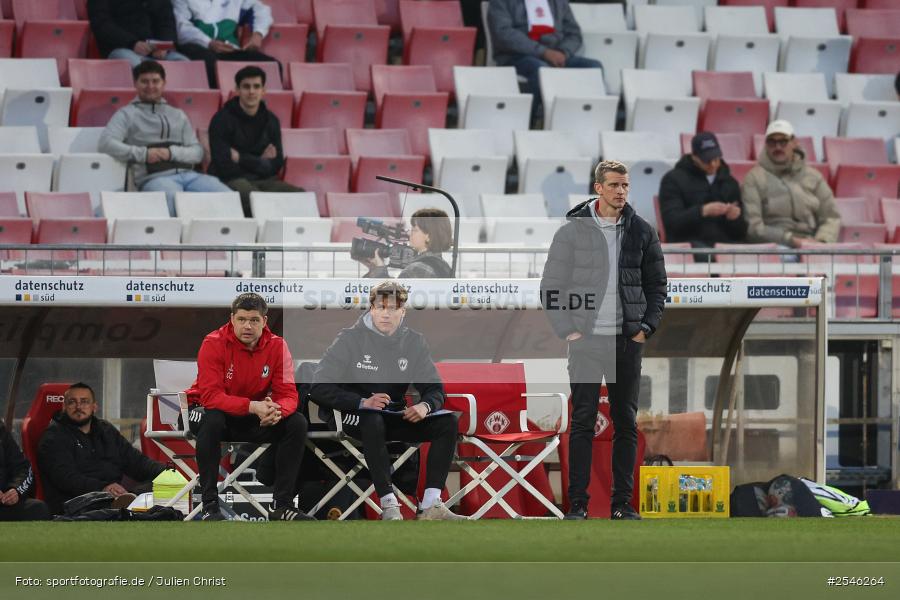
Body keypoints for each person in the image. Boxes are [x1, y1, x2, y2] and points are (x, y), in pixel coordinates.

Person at [540, 160, 667, 520]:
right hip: (586, 341)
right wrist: (569, 329)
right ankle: (577, 505)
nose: (621, 191)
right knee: (582, 420)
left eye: (625, 185)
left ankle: (622, 505)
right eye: (614, 185)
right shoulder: (571, 232)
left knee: (626, 422)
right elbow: (551, 287)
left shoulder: (642, 231)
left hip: (627, 342)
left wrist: (646, 327)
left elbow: (658, 286)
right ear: (598, 188)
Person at [310, 281, 464, 521]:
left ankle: (431, 505)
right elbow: (318, 387)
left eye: (392, 308)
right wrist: (362, 402)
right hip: (352, 416)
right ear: (371, 308)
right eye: (380, 307)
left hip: (392, 415)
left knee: (447, 424)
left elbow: (435, 389)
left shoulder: (414, 341)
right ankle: (389, 504)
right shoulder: (350, 339)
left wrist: (425, 406)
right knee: (372, 418)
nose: (385, 313)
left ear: (403, 311)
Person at [188, 293, 312, 521]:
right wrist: (253, 406)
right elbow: (211, 397)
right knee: (212, 419)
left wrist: (276, 411)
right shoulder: (213, 342)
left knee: (296, 422)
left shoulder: (277, 346)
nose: (248, 326)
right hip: (208, 413)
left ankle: (281, 506)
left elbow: (288, 395)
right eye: (242, 319)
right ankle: (209, 505)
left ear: (264, 322)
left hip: (252, 417)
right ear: (232, 319)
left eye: (254, 320)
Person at [99, 60, 232, 217]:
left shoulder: (178, 114)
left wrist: (170, 153)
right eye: (144, 81)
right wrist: (144, 154)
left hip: (189, 175)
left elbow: (197, 152)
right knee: (173, 199)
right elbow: (106, 143)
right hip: (153, 178)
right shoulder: (126, 114)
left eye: (155, 81)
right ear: (135, 84)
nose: (150, 86)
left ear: (164, 83)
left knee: (227, 195)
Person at [37, 383, 166, 516]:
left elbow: (136, 461)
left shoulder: (106, 430)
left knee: (164, 484)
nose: (79, 407)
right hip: (76, 502)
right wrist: (103, 488)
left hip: (115, 496)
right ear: (64, 407)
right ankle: (127, 504)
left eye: (84, 401)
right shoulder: (53, 437)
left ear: (94, 407)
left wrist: (168, 473)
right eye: (72, 402)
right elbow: (66, 478)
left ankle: (130, 500)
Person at [208, 65, 302, 217]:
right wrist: (259, 162)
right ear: (237, 90)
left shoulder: (272, 120)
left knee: (301, 196)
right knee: (256, 199)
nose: (251, 92)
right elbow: (223, 165)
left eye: (256, 87)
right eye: (246, 87)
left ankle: (292, 238)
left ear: (263, 91)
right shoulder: (221, 120)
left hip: (264, 179)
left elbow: (276, 164)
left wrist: (240, 158)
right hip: (231, 179)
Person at [488, 0, 602, 113]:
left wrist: (563, 52)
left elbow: (574, 33)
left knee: (593, 67)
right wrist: (544, 52)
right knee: (541, 69)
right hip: (517, 55)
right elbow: (503, 34)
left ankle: (585, 120)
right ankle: (530, 122)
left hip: (556, 53)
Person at [742, 120, 841, 248]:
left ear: (794, 143)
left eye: (783, 141)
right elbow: (754, 227)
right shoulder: (753, 178)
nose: (778, 147)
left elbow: (831, 217)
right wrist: (791, 241)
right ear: (766, 145)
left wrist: (821, 242)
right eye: (772, 142)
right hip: (776, 245)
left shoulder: (814, 176)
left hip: (812, 242)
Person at [658, 132, 747, 248]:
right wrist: (702, 211)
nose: (713, 164)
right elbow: (672, 223)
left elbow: (741, 233)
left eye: (716, 159)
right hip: (689, 245)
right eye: (707, 160)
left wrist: (734, 218)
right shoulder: (673, 180)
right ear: (694, 157)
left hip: (725, 245)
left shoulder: (729, 182)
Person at [172, 0, 279, 88]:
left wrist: (258, 34)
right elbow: (182, 29)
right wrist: (208, 42)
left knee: (273, 65)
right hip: (199, 47)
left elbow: (261, 10)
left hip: (230, 50)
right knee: (210, 64)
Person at [87, 0, 190, 67]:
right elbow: (101, 24)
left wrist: (163, 46)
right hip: (122, 48)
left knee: (184, 65)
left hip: (155, 51)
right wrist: (132, 43)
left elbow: (166, 22)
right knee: (141, 69)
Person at [358, 208, 454, 278]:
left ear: (428, 236)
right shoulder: (444, 266)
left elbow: (391, 300)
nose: (409, 233)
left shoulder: (417, 268)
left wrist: (379, 269)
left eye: (414, 230)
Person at [0, 421, 49, 521]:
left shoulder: (1, 431)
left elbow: (23, 468)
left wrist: (16, 490)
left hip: (3, 502)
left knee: (38, 509)